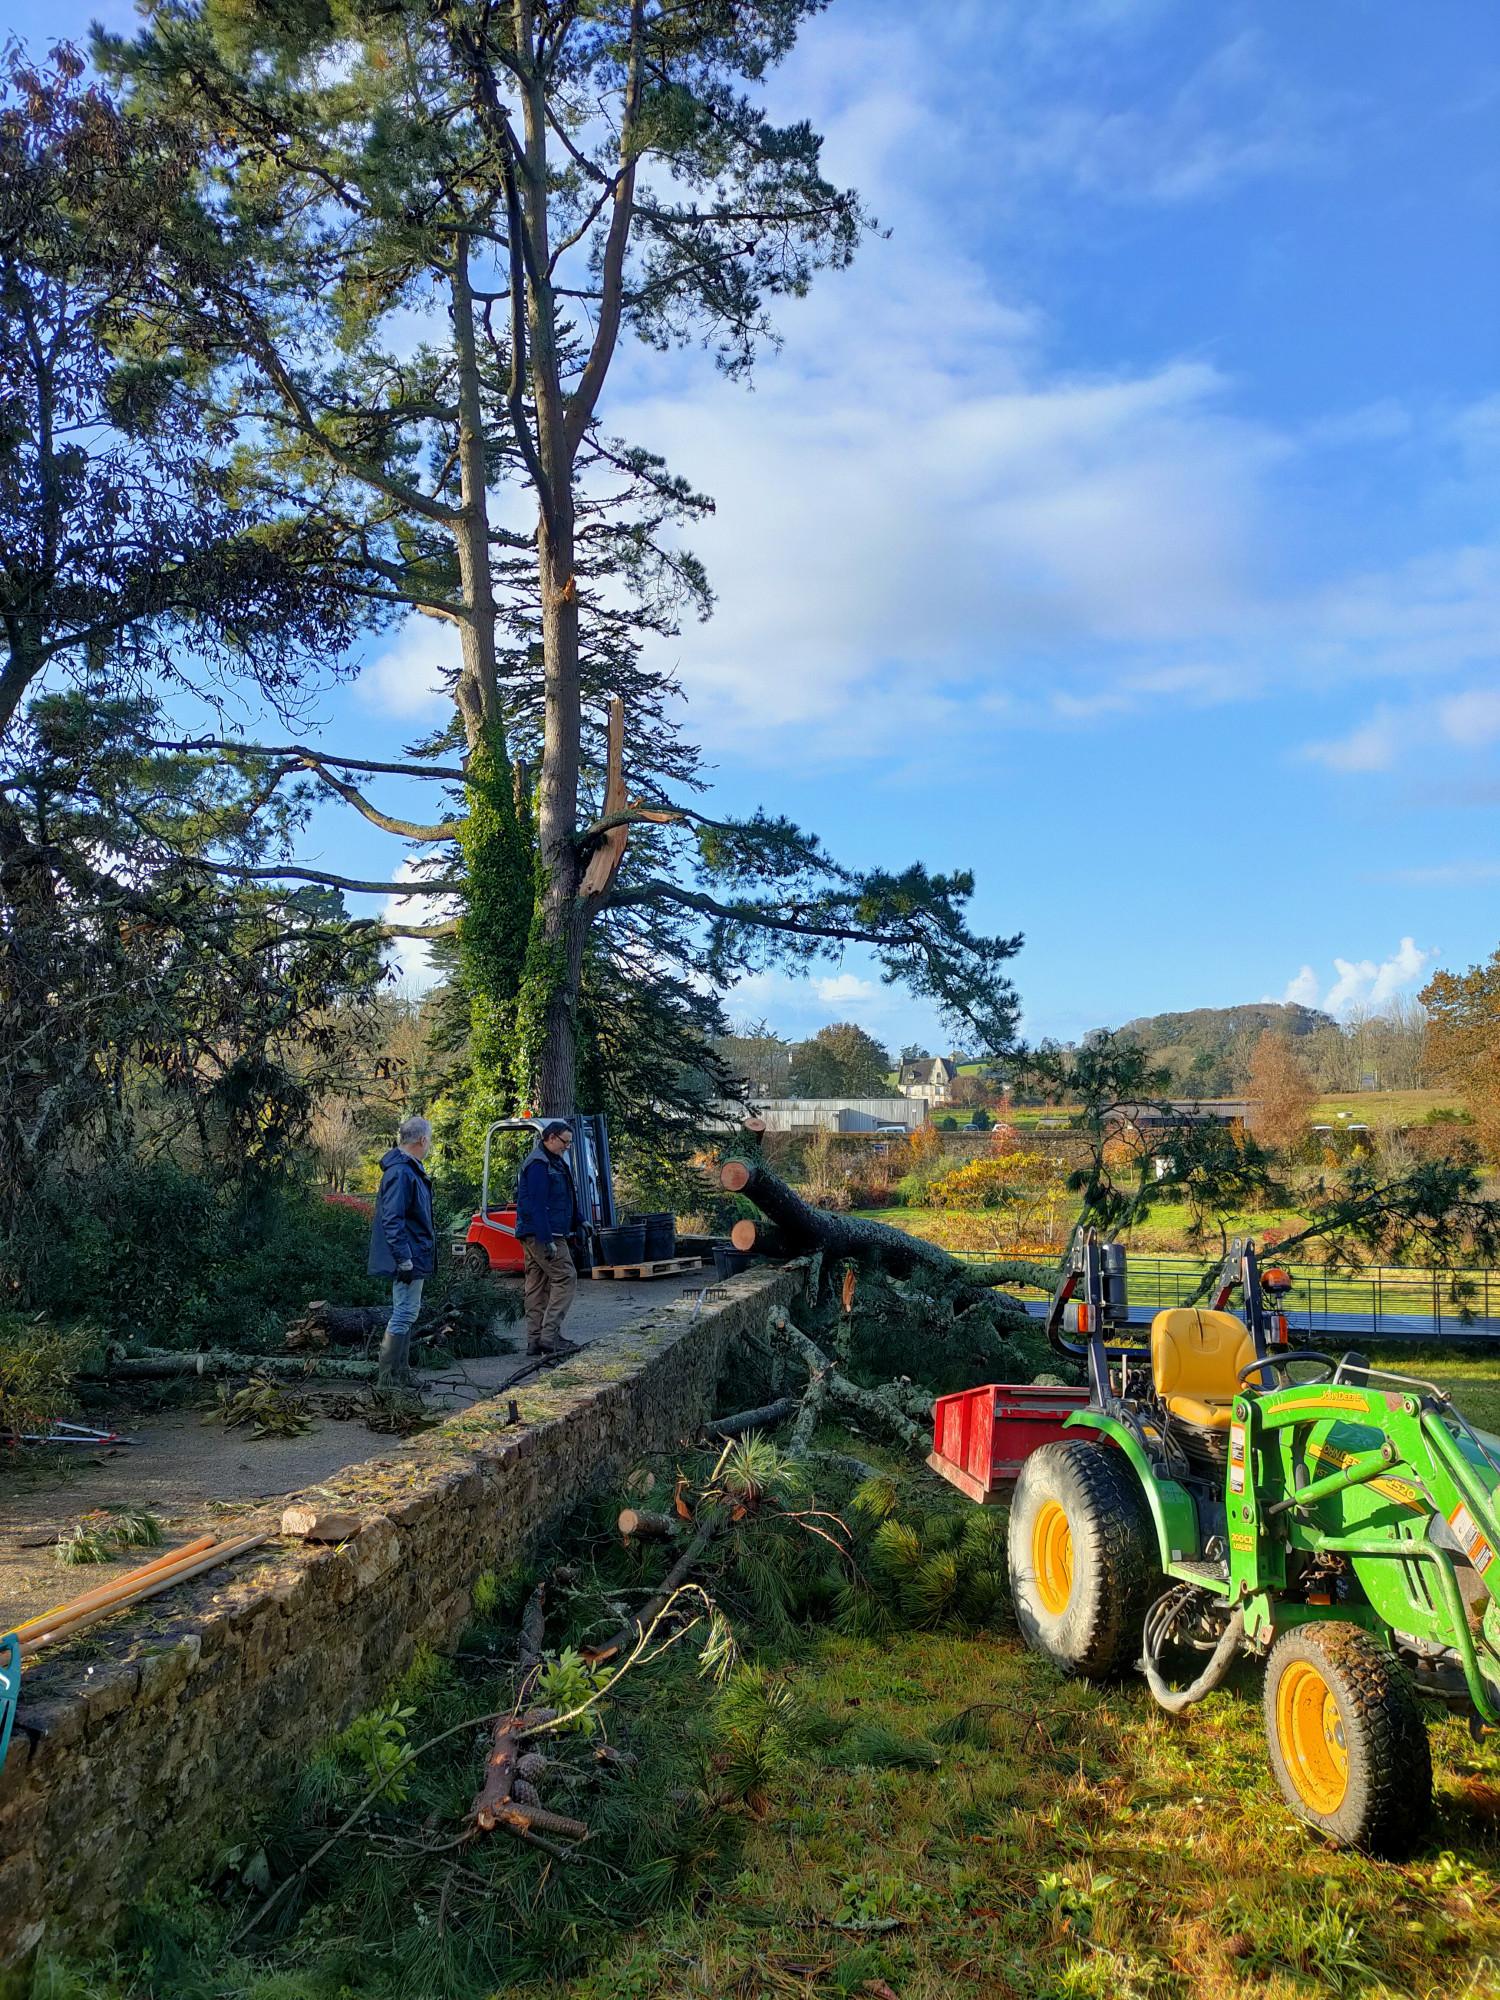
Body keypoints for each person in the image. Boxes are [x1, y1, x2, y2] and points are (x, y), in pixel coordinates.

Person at [367, 1113, 435, 1388]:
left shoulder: (408, 1169)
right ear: (421, 1139)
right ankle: (387, 1380)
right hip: (408, 1255)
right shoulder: (401, 1172)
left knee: (408, 1312)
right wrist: (404, 1259)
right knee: (404, 1313)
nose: (429, 1144)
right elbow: (392, 1219)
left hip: (412, 1252)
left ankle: (400, 1375)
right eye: (429, 1140)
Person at [515, 1120, 582, 1355]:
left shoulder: (553, 1162)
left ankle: (535, 1340)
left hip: (539, 1231)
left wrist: (579, 1220)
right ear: (551, 1137)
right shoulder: (538, 1165)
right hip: (544, 1233)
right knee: (566, 1277)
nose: (567, 1147)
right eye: (565, 1142)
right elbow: (537, 1204)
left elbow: (564, 1196)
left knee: (537, 1285)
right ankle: (549, 1336)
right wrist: (548, 1239)